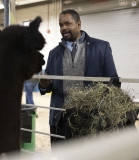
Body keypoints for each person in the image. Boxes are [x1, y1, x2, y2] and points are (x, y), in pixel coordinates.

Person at [38, 9, 118, 147]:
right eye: (61, 25)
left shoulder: (101, 47)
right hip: (60, 120)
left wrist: (104, 113)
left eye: (68, 23)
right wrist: (44, 85)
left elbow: (113, 83)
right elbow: (46, 87)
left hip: (90, 120)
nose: (64, 28)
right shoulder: (54, 54)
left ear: (79, 24)